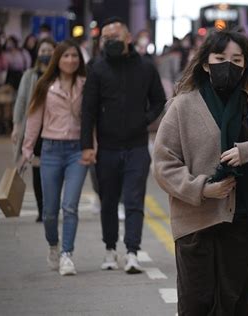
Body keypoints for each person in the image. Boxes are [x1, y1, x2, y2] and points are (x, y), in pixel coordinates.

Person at [153, 30, 248, 315]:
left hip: (246, 223)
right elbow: (163, 163)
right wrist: (201, 188)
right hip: (197, 225)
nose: (228, 65)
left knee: (239, 306)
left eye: (236, 59)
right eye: (220, 58)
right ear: (206, 62)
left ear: (246, 65)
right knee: (197, 305)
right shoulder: (183, 105)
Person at [80, 17, 166, 274]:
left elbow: (159, 101)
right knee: (108, 202)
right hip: (106, 148)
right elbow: (88, 110)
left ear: (128, 38)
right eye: (105, 39)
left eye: (114, 38)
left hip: (138, 146)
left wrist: (145, 121)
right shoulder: (96, 68)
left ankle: (132, 252)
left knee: (134, 200)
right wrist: (86, 145)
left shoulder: (146, 68)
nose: (109, 42)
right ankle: (109, 249)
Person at [21, 40, 88, 276]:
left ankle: (67, 255)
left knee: (69, 206)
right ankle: (53, 245)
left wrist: (93, 147)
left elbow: (92, 120)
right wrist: (27, 148)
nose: (71, 60)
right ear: (57, 60)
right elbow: (33, 119)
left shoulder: (86, 85)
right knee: (49, 211)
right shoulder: (45, 85)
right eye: (66, 56)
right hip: (50, 151)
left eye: (74, 56)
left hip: (77, 152)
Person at [12, 37, 56, 222]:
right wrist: (16, 126)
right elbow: (21, 101)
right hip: (36, 131)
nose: (46, 54)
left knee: (53, 172)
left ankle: (51, 207)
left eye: (49, 50)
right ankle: (42, 209)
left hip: (55, 130)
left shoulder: (60, 74)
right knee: (38, 172)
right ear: (38, 53)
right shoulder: (30, 75)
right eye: (43, 50)